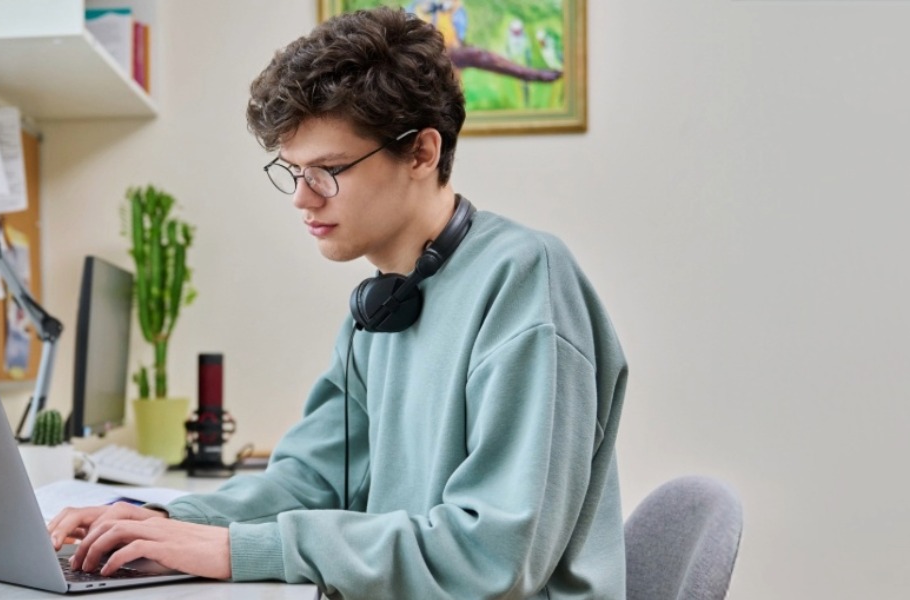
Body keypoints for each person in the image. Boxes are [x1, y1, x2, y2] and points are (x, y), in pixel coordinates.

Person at [46, 8, 627, 599]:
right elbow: (311, 479)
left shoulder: (524, 280)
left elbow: (490, 557)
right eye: (293, 171)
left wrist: (236, 550)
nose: (302, 198)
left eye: (327, 171)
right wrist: (169, 522)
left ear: (421, 153)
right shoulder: (383, 303)